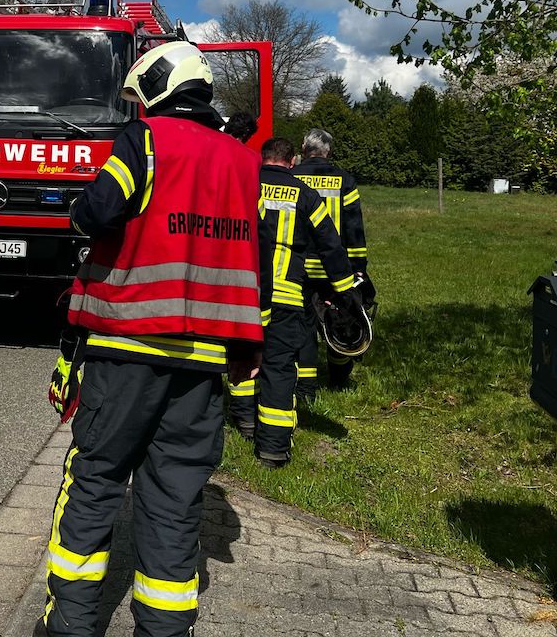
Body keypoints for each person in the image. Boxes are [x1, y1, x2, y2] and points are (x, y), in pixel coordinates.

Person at [38, 41, 264, 637]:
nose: (139, 109)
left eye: (141, 99)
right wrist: (247, 354)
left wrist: (79, 207)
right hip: (205, 360)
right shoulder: (243, 162)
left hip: (128, 348)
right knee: (175, 497)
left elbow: (96, 213)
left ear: (159, 89)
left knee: (96, 480)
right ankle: (163, 629)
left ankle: (71, 623)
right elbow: (253, 259)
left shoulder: (145, 142)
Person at [226, 137, 359, 467]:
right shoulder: (306, 195)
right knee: (279, 367)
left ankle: (244, 420)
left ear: (263, 158)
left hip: (242, 292)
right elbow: (330, 245)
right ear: (292, 161)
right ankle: (272, 448)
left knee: (240, 353)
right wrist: (346, 292)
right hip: (285, 295)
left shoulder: (244, 185)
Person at [293, 127, 374, 394]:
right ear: (329, 152)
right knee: (341, 318)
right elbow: (354, 229)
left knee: (305, 325)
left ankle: (305, 385)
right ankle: (338, 377)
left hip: (299, 268)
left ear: (304, 149)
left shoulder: (291, 177)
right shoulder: (344, 180)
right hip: (335, 269)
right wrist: (358, 270)